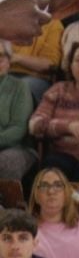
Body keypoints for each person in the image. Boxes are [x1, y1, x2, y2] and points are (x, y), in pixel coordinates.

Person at [28, 41, 79, 181]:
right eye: (78, 60)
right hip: (62, 153)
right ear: (70, 66)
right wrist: (68, 127)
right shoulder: (58, 90)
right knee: (54, 168)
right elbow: (34, 124)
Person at [7, 0, 63, 104]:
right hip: (3, 75)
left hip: (34, 79)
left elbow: (49, 64)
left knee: (21, 88)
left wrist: (15, 58)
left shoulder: (52, 22)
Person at [0, 41, 36, 181]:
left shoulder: (20, 87)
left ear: (9, 62)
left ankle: (7, 203)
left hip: (17, 147)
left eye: (1, 57)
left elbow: (18, 129)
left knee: (5, 163)